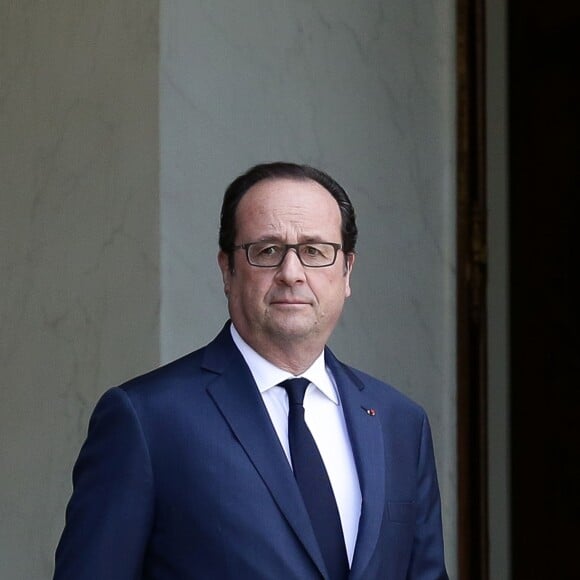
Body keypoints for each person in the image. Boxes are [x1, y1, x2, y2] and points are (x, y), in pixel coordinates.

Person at [54, 162, 448, 579]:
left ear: (347, 271)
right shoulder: (147, 420)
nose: (292, 274)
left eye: (314, 251)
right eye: (267, 251)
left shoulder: (399, 423)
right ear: (227, 270)